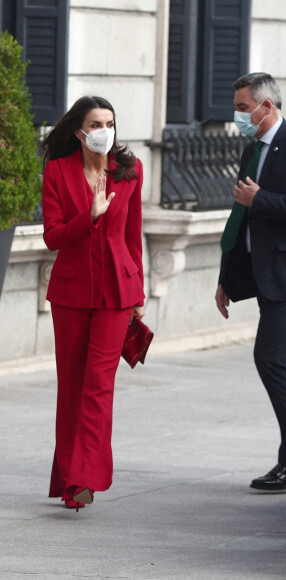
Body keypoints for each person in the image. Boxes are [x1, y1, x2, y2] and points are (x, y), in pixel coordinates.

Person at [215, 73, 286, 491]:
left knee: (271, 358)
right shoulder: (252, 149)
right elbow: (239, 220)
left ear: (267, 107)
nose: (238, 115)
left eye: (244, 108)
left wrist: (261, 198)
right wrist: (227, 277)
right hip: (265, 276)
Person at [42, 96, 145, 511]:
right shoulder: (57, 171)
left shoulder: (131, 170)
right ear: (79, 131)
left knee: (98, 386)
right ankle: (69, 474)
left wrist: (138, 293)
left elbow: (134, 234)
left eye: (110, 122)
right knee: (72, 387)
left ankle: (83, 479)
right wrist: (92, 215)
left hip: (117, 294)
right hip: (70, 293)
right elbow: (53, 236)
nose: (105, 130)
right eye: (96, 123)